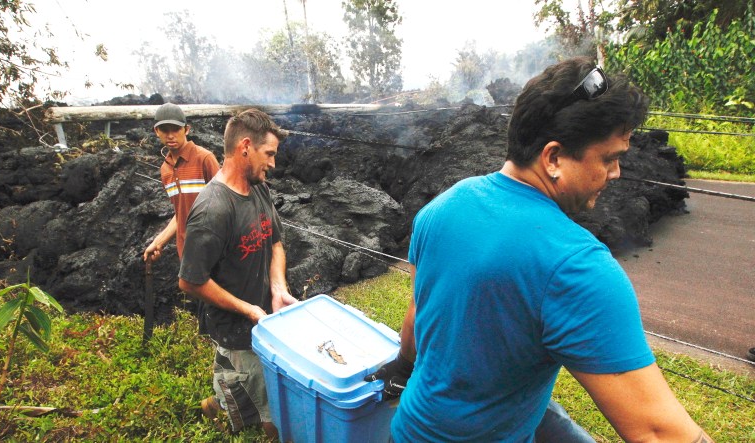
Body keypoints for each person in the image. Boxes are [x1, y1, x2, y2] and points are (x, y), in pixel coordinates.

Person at [367, 57, 713, 442]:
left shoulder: (440, 208)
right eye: (609, 158)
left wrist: (401, 366)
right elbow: (660, 432)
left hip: (411, 429)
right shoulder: (575, 266)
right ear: (553, 158)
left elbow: (417, 316)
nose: (616, 173)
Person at [178, 109, 298, 439]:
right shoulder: (213, 209)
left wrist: (277, 287)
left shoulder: (258, 187)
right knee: (274, 423)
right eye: (269, 153)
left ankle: (218, 402)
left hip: (263, 317)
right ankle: (224, 406)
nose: (273, 163)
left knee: (248, 386)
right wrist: (247, 309)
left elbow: (275, 241)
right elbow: (189, 280)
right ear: (245, 146)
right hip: (235, 327)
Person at [143, 102, 220, 263]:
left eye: (176, 129)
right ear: (157, 131)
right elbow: (181, 213)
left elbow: (226, 202)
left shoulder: (204, 158)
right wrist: (158, 242)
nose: (170, 135)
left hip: (214, 249)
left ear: (186, 129)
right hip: (186, 252)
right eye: (165, 130)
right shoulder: (166, 169)